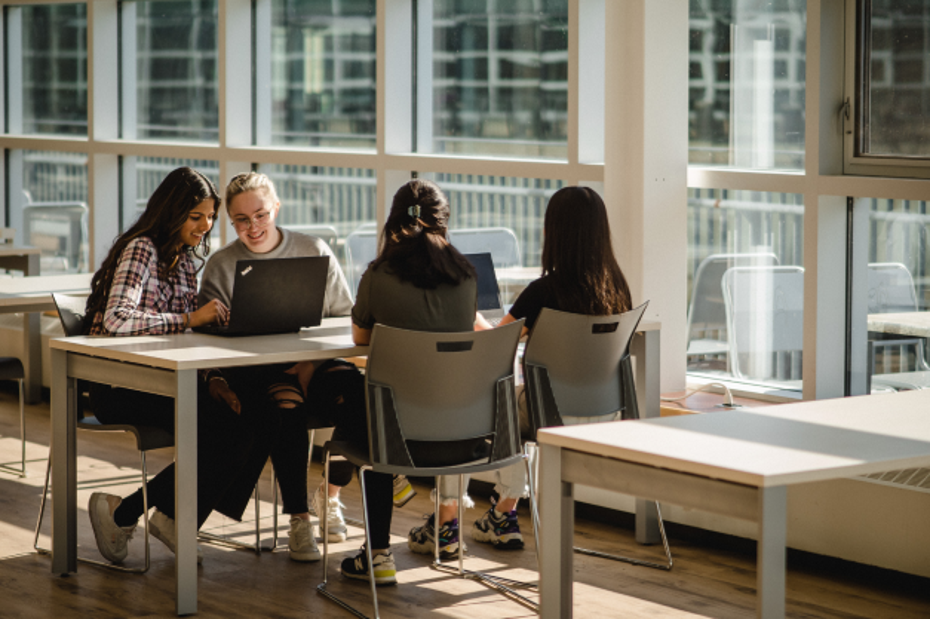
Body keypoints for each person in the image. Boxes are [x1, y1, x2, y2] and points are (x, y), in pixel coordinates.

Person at [408, 185, 633, 554]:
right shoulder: (617, 289)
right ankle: (502, 516)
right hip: (603, 413)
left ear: (554, 233)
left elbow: (497, 345)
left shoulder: (544, 291)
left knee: (463, 405)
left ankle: (446, 524)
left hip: (548, 414)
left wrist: (470, 314)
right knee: (514, 403)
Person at [304, 178, 480, 585]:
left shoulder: (379, 275)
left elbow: (362, 341)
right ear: (443, 221)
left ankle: (379, 554)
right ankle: (381, 521)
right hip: (463, 434)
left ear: (393, 222)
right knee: (373, 404)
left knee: (352, 390)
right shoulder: (466, 276)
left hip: (396, 437)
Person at [84, 166, 250, 566]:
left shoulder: (184, 261)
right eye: (196, 217)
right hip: (118, 384)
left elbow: (183, 341)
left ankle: (131, 513)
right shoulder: (142, 248)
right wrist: (192, 318)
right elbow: (117, 319)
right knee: (222, 429)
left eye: (210, 217)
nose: (205, 226)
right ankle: (166, 518)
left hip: (164, 382)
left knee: (242, 419)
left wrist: (213, 380)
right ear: (172, 212)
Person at [196, 171, 356, 562]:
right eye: (242, 220)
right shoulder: (221, 264)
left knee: (359, 391)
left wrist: (306, 364)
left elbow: (344, 321)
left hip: (315, 365)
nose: (253, 227)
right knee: (285, 402)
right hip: (257, 374)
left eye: (262, 215)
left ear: (277, 208)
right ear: (231, 221)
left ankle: (330, 496)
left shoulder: (312, 249)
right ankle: (301, 518)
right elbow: (208, 338)